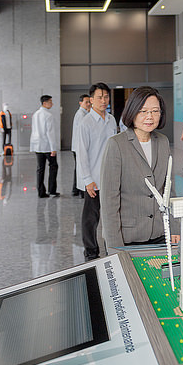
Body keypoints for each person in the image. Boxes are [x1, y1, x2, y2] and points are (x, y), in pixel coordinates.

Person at [100, 87, 172, 249]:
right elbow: (109, 201)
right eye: (143, 111)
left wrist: (171, 229)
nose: (150, 116)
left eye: (155, 111)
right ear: (132, 112)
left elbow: (166, 191)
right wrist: (115, 248)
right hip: (128, 237)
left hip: (160, 234)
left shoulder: (163, 142)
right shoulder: (116, 144)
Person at [77, 83, 117, 261]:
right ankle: (91, 251)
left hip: (111, 177)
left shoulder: (111, 119)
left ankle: (112, 249)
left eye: (106, 97)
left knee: (111, 217)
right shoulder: (85, 123)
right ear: (91, 100)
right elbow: (82, 153)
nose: (103, 100)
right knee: (91, 219)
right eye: (99, 97)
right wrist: (87, 179)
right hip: (94, 179)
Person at [30, 95, 59, 198]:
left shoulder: (36, 114)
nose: (52, 104)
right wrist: (53, 148)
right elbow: (50, 133)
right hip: (47, 146)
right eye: (50, 102)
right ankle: (52, 190)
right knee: (53, 166)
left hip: (37, 145)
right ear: (45, 103)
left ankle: (41, 192)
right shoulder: (48, 115)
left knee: (40, 169)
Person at [71, 94, 91, 198]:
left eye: (89, 102)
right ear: (80, 103)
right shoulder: (81, 115)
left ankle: (76, 190)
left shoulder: (83, 114)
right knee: (81, 168)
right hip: (79, 147)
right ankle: (81, 190)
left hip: (77, 146)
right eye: (86, 102)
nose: (88, 104)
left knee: (78, 168)